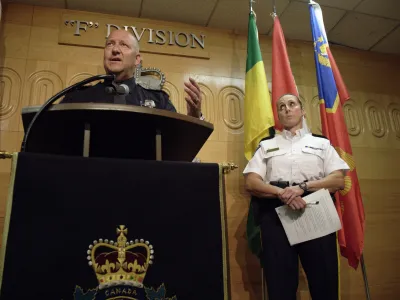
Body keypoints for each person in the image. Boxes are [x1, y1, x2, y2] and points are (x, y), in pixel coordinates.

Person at [243, 94, 349, 300]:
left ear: (302, 110)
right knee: (280, 285)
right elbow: (252, 182)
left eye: (292, 104)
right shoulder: (266, 145)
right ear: (278, 115)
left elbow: (337, 180)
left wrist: (303, 187)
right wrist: (283, 193)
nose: (287, 109)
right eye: (281, 106)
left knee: (324, 282)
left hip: (315, 209)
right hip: (276, 214)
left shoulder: (321, 143)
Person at [61, 29, 203, 119]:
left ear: (137, 60)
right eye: (110, 44)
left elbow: (177, 143)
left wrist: (193, 119)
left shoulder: (159, 101)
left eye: (123, 45)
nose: (115, 49)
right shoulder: (78, 96)